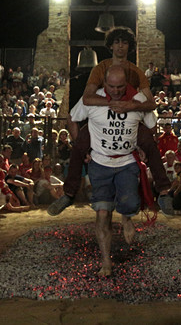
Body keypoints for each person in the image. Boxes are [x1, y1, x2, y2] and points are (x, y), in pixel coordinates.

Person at [49, 27, 172, 216]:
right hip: (102, 118)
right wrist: (113, 102)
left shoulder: (136, 72)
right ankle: (68, 193)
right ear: (111, 45)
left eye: (124, 42)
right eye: (117, 42)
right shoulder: (101, 68)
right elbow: (88, 98)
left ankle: (164, 192)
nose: (120, 46)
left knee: (150, 143)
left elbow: (151, 103)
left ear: (129, 46)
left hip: (129, 117)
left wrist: (129, 106)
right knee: (79, 145)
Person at [65, 64, 157, 276]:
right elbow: (72, 117)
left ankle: (126, 218)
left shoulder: (138, 99)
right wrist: (80, 146)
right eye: (111, 86)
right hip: (99, 164)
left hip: (126, 163)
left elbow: (152, 125)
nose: (116, 91)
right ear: (103, 83)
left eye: (121, 86)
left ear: (128, 84)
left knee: (130, 204)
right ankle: (106, 262)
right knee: (102, 212)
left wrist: (143, 146)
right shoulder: (92, 99)